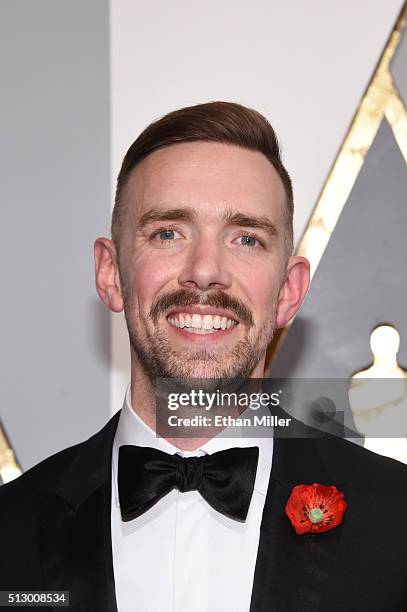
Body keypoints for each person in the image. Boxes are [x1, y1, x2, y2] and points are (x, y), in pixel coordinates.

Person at [1, 101, 407, 612]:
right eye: (169, 233)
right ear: (110, 273)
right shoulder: (10, 531)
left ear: (288, 291)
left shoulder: (395, 523)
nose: (206, 270)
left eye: (246, 238)